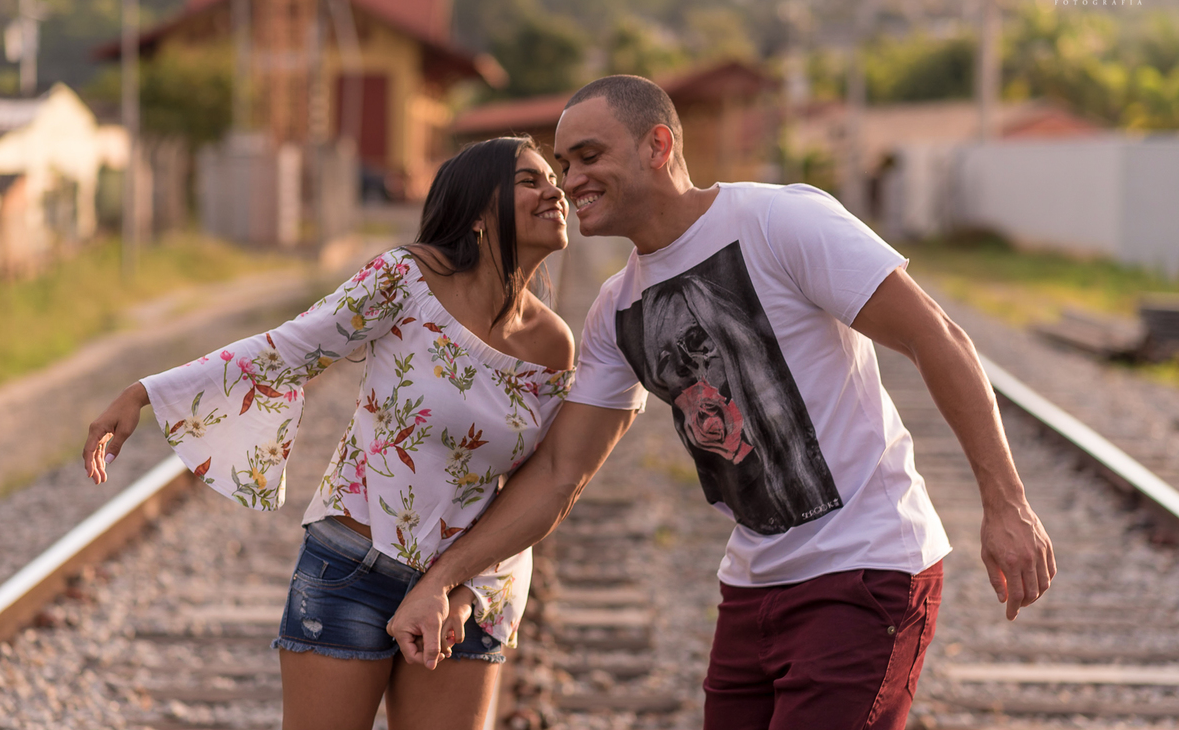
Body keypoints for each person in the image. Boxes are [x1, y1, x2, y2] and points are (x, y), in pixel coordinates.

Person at [385, 75, 1057, 729]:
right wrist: (445, 577)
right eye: (563, 163)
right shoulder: (616, 309)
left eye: (589, 156)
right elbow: (562, 471)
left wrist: (1006, 503)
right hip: (751, 587)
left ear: (657, 145)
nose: (569, 179)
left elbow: (935, 338)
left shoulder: (780, 220)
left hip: (865, 569)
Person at [82, 136, 576, 730]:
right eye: (530, 180)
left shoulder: (553, 345)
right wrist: (144, 393)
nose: (555, 192)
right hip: (352, 572)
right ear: (477, 213)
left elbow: (536, 491)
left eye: (555, 179)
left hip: (461, 599)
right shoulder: (406, 279)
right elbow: (290, 348)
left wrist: (470, 593)